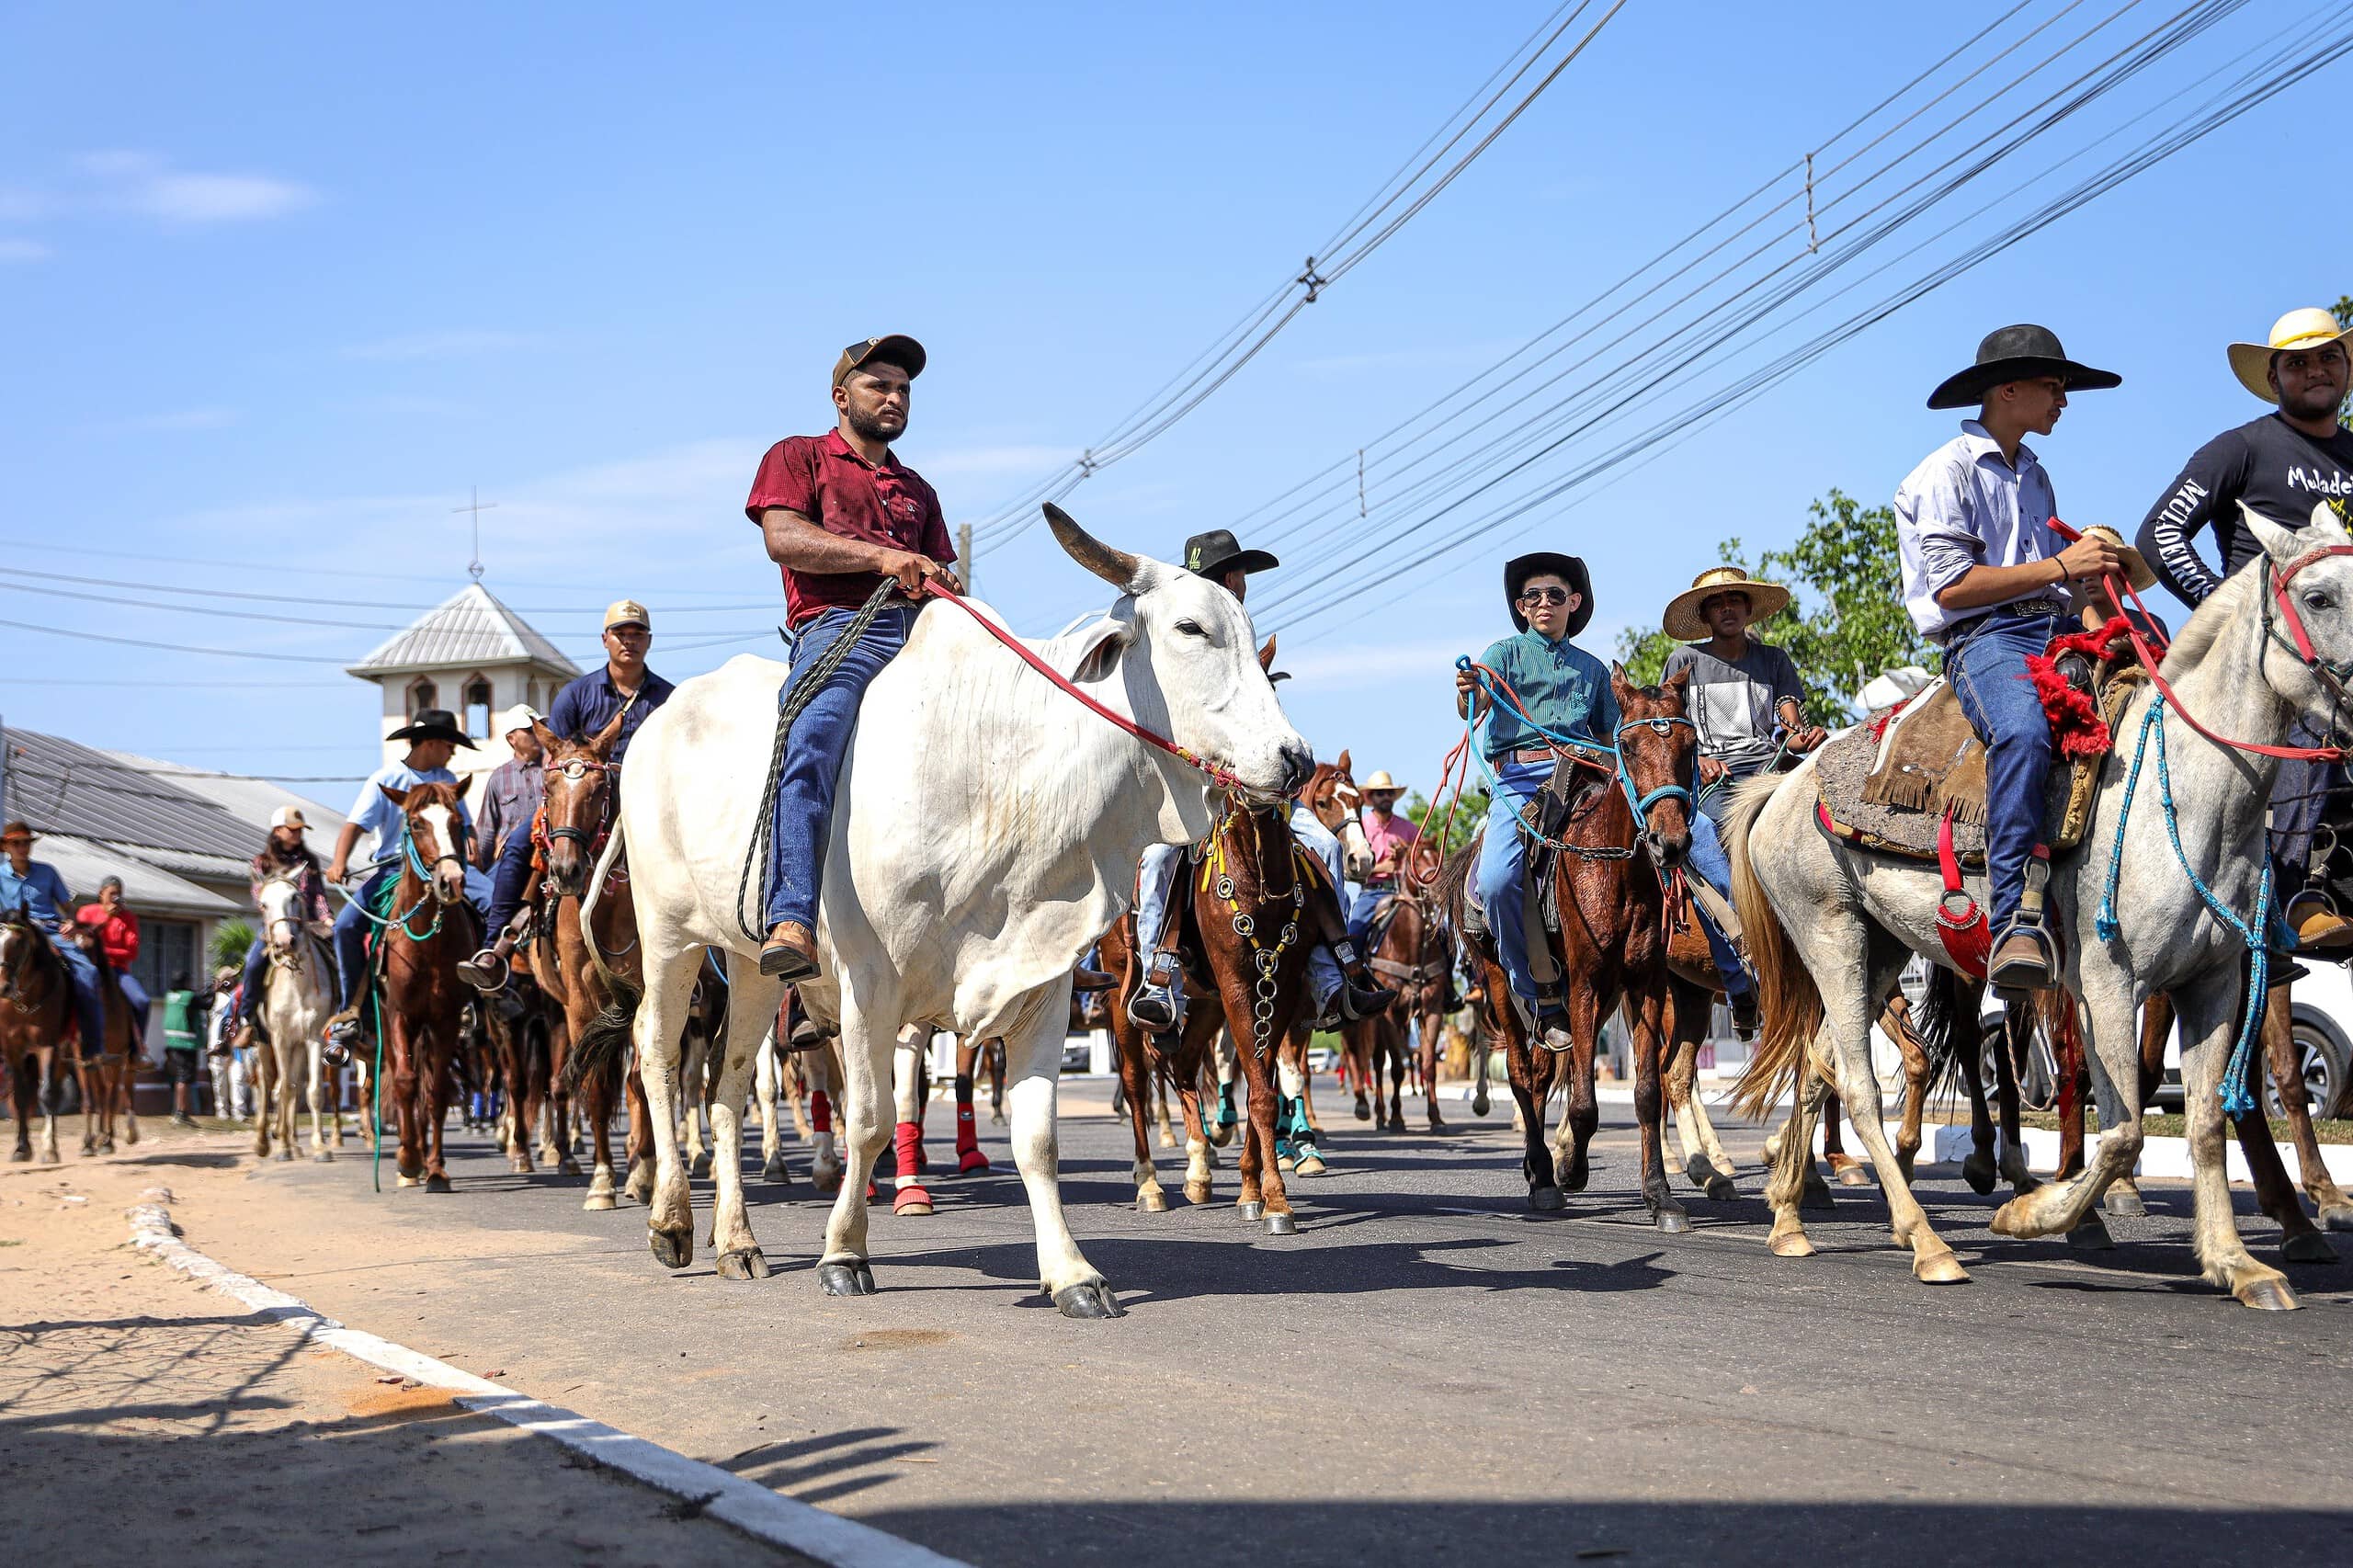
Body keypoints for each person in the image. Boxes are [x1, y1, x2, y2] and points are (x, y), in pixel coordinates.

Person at [1894, 324, 2125, 992]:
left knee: (2155, 692)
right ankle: (2015, 919)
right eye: (2054, 388)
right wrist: (2060, 564)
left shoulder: (2035, 474)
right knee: (2022, 732)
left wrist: (2098, 624)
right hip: (1985, 637)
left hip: (2050, 625)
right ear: (2009, 390)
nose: (2063, 401)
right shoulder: (1945, 472)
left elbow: (2060, 583)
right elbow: (1953, 587)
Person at [2135, 305, 2353, 952]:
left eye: (2328, 357)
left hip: (2346, 636)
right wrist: (2233, 615)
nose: (2315, 370)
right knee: (2313, 696)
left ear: (2347, 369)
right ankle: (2298, 887)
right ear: (2274, 375)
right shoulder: (2243, 447)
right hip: (2265, 663)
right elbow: (2158, 535)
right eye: (2298, 362)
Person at [746, 335, 961, 981]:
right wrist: (883, 558)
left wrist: (945, 588)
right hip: (840, 630)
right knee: (810, 743)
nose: (895, 398)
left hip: (923, 632)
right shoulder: (799, 456)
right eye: (880, 387)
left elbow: (941, 572)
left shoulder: (917, 488)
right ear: (842, 397)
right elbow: (783, 539)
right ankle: (790, 919)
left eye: (903, 390)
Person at [1128, 529, 1388, 1034]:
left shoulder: (1243, 645)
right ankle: (1160, 979)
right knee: (1161, 857)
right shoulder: (1181, 647)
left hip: (1264, 797)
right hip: (1199, 794)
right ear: (1229, 579)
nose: (1241, 585)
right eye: (1239, 575)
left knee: (1328, 849)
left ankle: (1330, 977)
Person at [461, 611, 676, 990]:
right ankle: (496, 947)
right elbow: (555, 752)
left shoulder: (667, 698)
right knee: (516, 843)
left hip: (649, 803)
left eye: (637, 633)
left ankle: (708, 962)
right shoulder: (578, 693)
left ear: (649, 640)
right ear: (605, 639)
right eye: (620, 633)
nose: (629, 641)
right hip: (583, 800)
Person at [323, 708, 485, 1052]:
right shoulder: (388, 778)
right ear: (430, 743)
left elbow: (465, 825)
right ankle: (353, 1010)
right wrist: (339, 862)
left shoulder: (446, 779)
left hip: (446, 866)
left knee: (491, 902)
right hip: (394, 870)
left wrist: (470, 845)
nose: (453, 752)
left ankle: (479, 996)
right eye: (449, 744)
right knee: (346, 927)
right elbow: (355, 825)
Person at [1660, 566, 1826, 832]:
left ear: (1748, 608)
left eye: (1734, 600)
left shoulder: (1774, 659)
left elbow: (1793, 735)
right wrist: (1699, 761)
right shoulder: (1685, 660)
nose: (1727, 608)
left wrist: (1810, 738)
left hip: (1769, 767)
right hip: (1715, 778)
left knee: (1825, 807)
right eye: (1717, 604)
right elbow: (1666, 735)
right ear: (1705, 615)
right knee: (1715, 831)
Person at [0, 821, 108, 1060]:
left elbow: (68, 908)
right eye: (16, 843)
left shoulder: (47, 872)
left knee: (89, 973)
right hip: (13, 934)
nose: (22, 848)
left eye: (26, 843)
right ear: (6, 847)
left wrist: (71, 921)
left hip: (50, 932)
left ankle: (92, 1044)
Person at [233, 805, 337, 1050]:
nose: (298, 834)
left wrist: (327, 918)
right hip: (277, 924)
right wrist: (279, 921)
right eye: (292, 830)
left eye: (300, 830)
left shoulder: (310, 861)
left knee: (340, 956)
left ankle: (345, 1016)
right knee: (253, 963)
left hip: (310, 925)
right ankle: (247, 1022)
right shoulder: (262, 863)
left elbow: (318, 894)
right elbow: (261, 897)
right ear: (277, 830)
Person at [1345, 770, 1419, 946]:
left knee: (1441, 934)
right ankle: (1350, 972)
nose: (1386, 796)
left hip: (1407, 893)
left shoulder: (1409, 828)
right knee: (1353, 937)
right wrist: (1380, 868)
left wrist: (1405, 857)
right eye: (1380, 793)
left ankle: (1459, 970)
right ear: (1371, 797)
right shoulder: (1360, 827)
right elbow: (1347, 870)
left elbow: (1422, 862)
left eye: (1389, 793)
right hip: (1372, 894)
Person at [74, 875, 149, 1042]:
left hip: (117, 970)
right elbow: (81, 941)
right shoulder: (86, 912)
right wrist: (106, 918)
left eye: (119, 894)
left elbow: (131, 952)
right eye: (112, 894)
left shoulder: (128, 918)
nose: (116, 898)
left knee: (142, 1001)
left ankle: (138, 1048)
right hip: (89, 967)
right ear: (101, 894)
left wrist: (103, 951)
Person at [472, 705, 546, 872]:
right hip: (511, 860)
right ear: (511, 738)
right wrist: (480, 871)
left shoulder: (553, 770)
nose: (537, 733)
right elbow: (486, 829)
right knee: (490, 896)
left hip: (548, 857)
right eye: (530, 730)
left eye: (539, 728)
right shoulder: (499, 778)